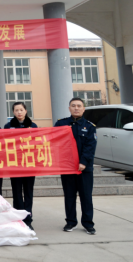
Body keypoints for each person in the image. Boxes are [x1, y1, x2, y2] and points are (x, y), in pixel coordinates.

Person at [55, 97, 97, 235]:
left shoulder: (89, 126)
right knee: (69, 196)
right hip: (67, 168)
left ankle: (88, 224)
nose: (76, 108)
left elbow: (90, 146)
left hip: (84, 168)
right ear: (69, 108)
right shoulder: (61, 124)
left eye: (79, 106)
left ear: (83, 109)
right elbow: (54, 142)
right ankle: (70, 222)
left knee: (86, 197)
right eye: (73, 106)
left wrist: (83, 162)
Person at [4, 102, 38, 231]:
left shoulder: (33, 126)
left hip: (29, 164)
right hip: (15, 164)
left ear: (25, 111)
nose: (19, 112)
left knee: (28, 192)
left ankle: (28, 219)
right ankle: (18, 218)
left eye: (21, 110)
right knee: (17, 192)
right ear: (13, 112)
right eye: (16, 110)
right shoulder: (8, 126)